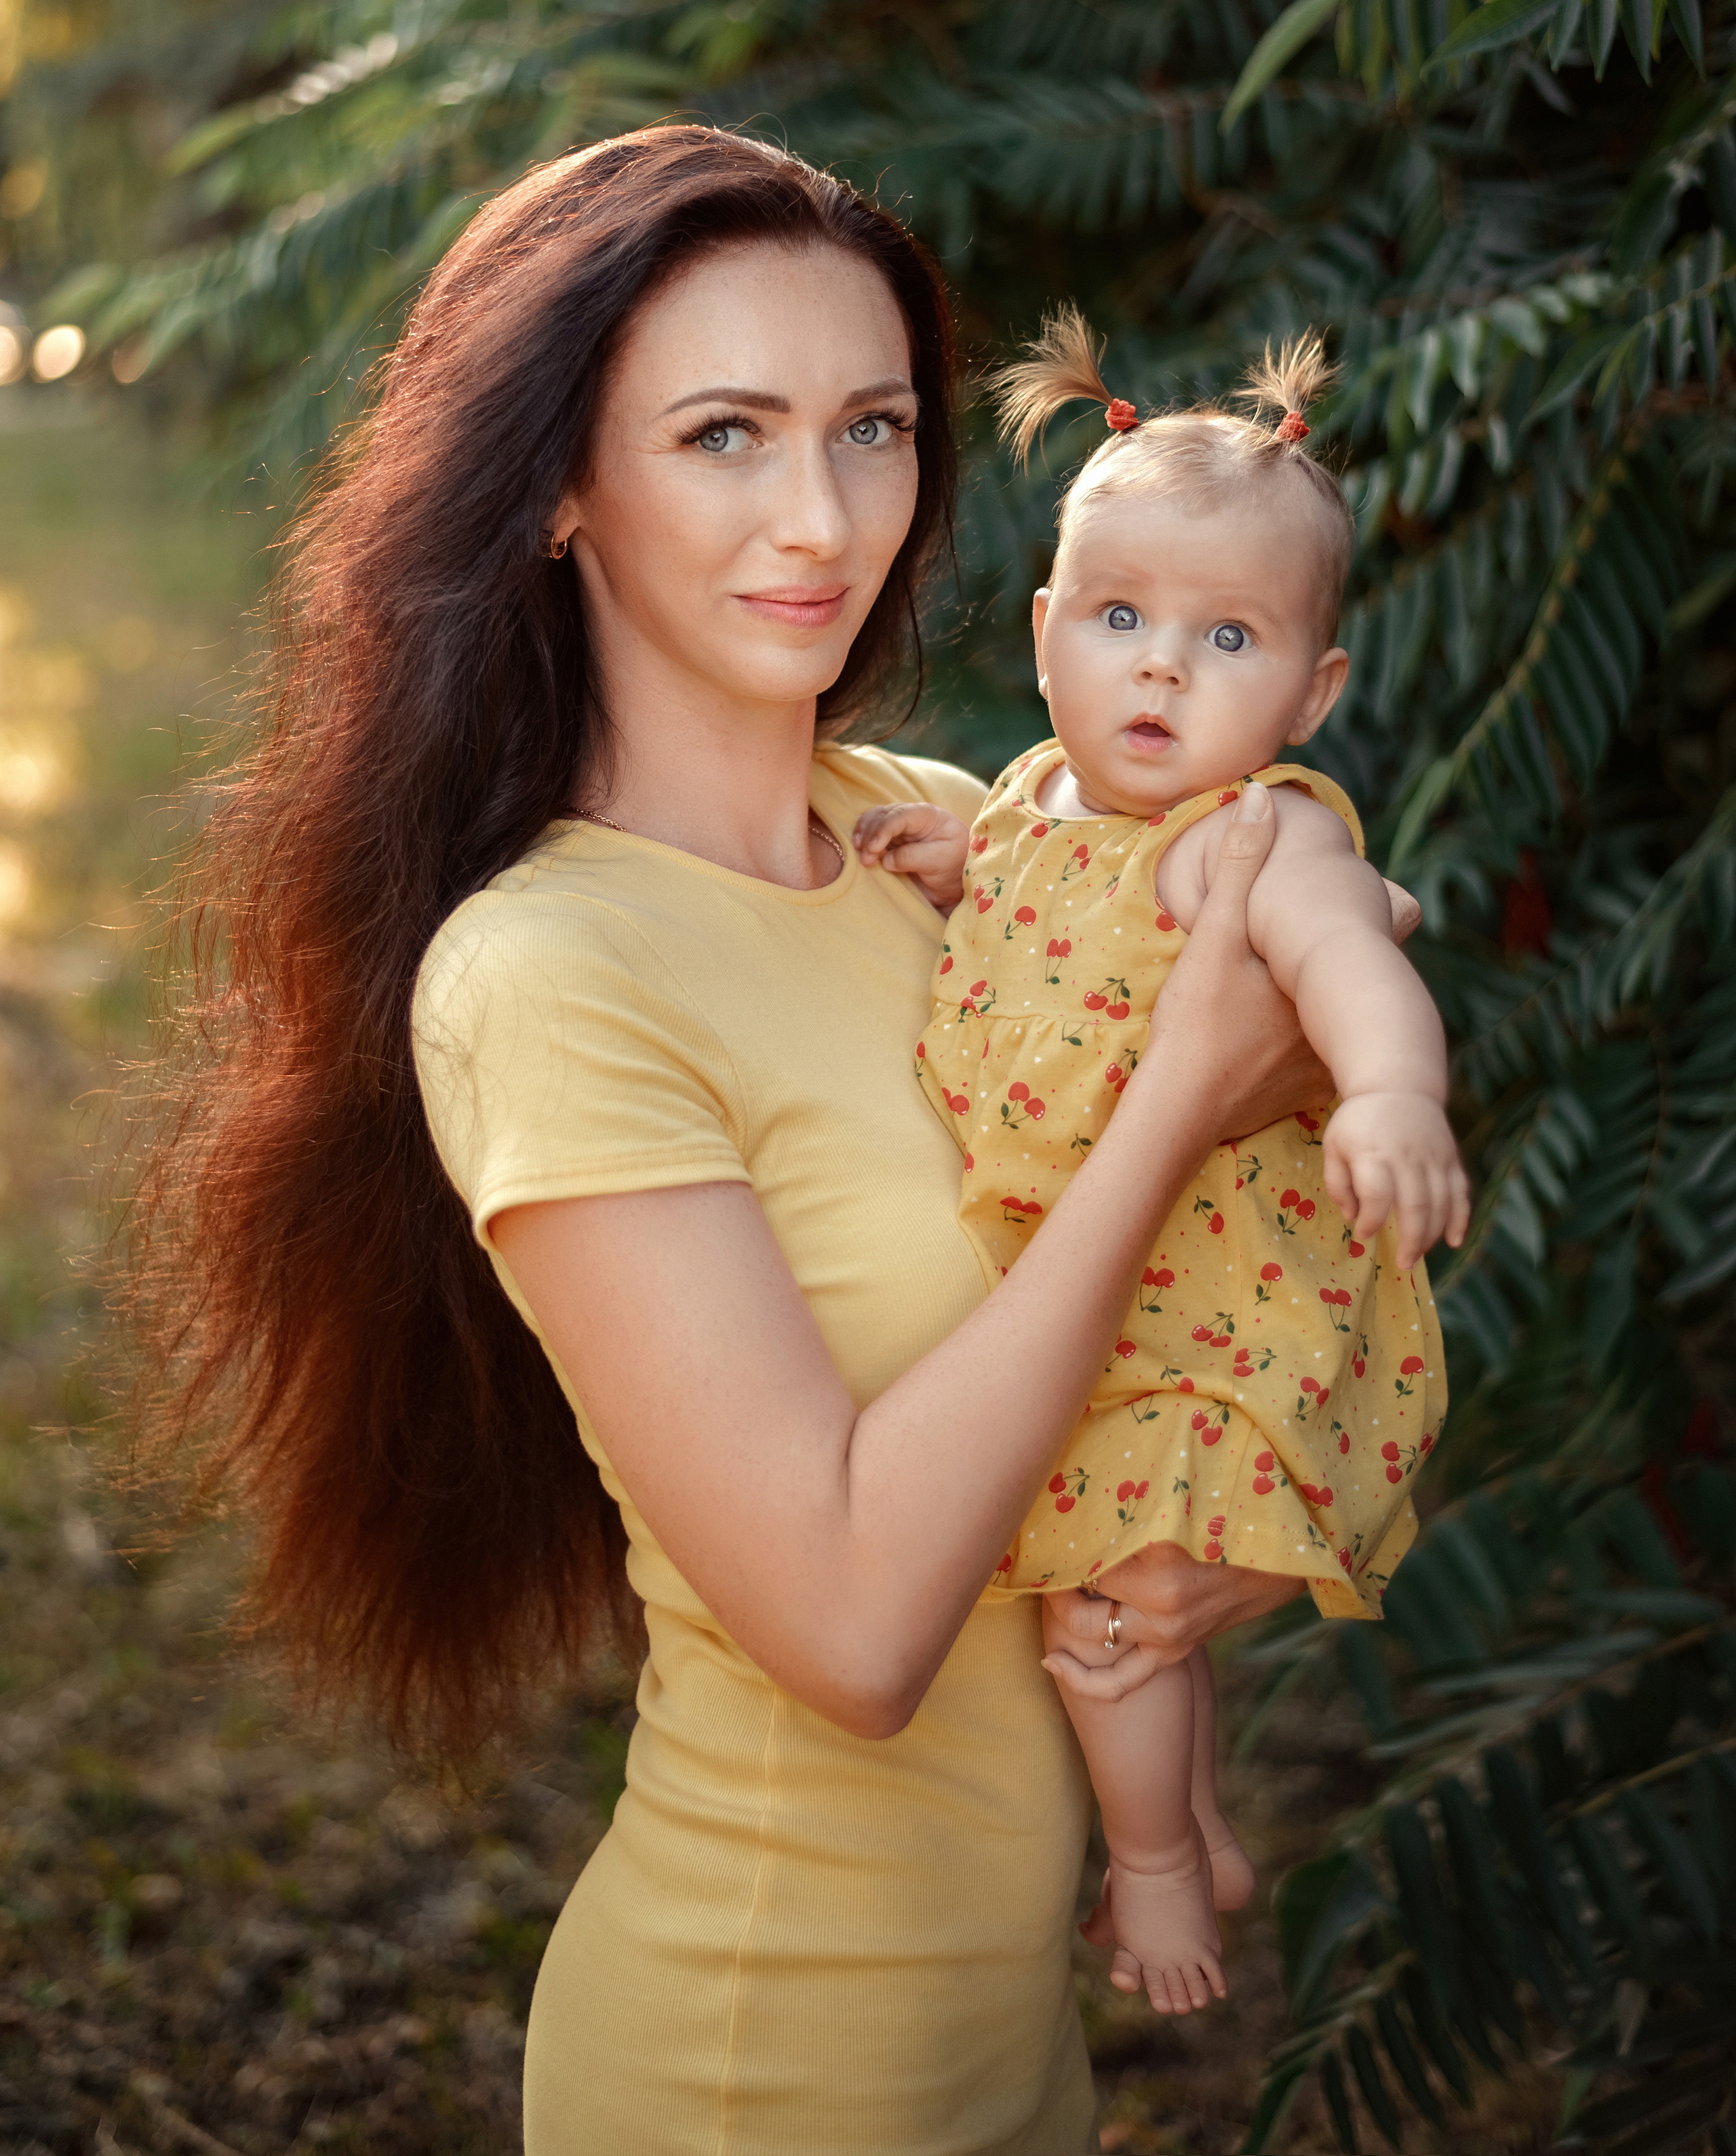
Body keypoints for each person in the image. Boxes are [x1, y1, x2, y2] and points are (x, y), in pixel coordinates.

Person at [128, 127, 1419, 2156]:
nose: (825, 516)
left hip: (1013, 2059)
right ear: (558, 482)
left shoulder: (952, 826)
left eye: (875, 428)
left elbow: (1272, 1227)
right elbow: (850, 1624)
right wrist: (1179, 1094)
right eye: (725, 433)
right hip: (767, 2064)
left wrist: (1212, 1567)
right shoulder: (553, 972)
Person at [852, 308, 1467, 2022]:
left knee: (1109, 1619)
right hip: (1096, 1293)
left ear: (1309, 692)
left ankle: (1152, 1865)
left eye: (1223, 638)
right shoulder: (1036, 798)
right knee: (1118, 1596)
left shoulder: (1252, 841)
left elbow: (1358, 963)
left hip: (1203, 1305)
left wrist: (1387, 1100)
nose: (1158, 672)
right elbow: (1035, 910)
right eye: (1117, 621)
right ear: (1047, 632)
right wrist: (951, 859)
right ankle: (1191, 1822)